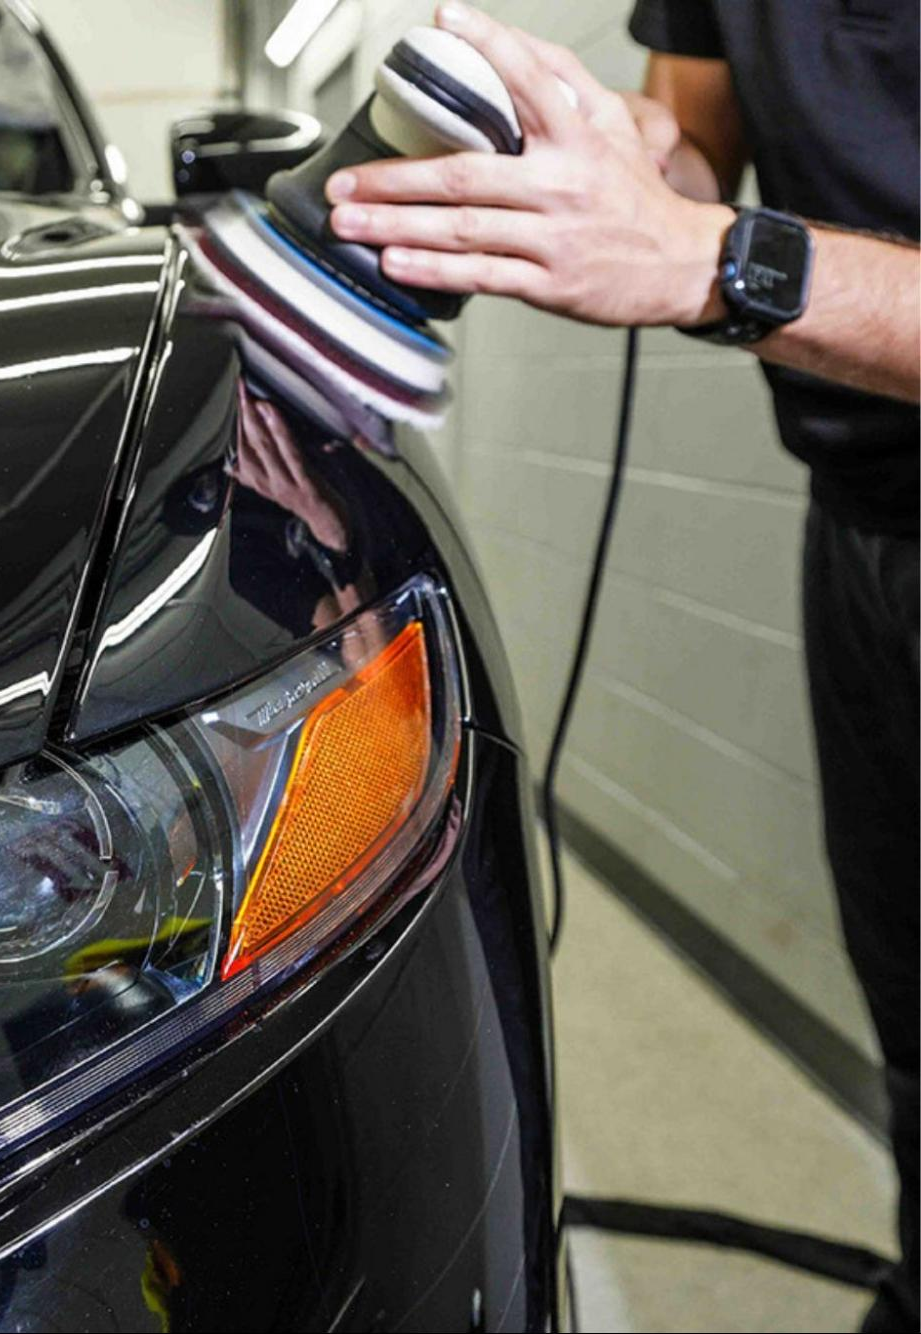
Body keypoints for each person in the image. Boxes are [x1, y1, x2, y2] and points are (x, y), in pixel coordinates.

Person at [318, 2, 919, 1328]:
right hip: (860, 516)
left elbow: (715, 236)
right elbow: (694, 143)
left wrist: (718, 260)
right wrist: (601, 155)